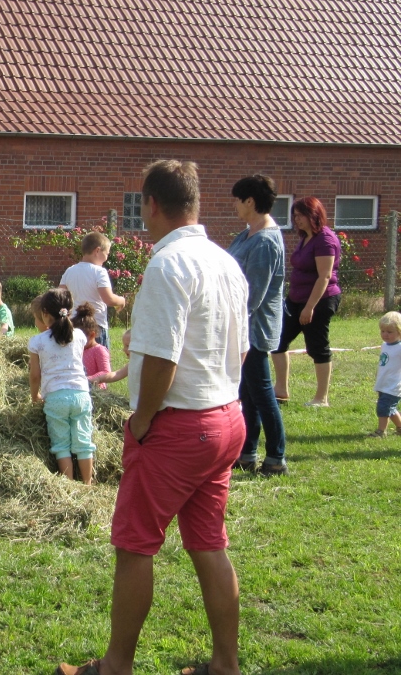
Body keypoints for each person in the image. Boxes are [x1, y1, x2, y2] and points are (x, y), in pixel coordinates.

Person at [57, 160, 249, 675]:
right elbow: (242, 348)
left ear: (152, 205)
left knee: (135, 544)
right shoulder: (225, 260)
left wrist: (142, 419)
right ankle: (225, 665)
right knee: (209, 543)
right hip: (226, 415)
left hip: (177, 424)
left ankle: (116, 666)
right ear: (196, 203)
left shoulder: (167, 266)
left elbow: (164, 356)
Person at [228, 174, 288, 476]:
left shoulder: (265, 241)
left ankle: (276, 456)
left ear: (250, 201)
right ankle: (248, 452)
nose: (235, 206)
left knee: (262, 393)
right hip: (242, 328)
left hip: (254, 328)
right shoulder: (247, 234)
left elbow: (253, 294)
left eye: (238, 200)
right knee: (248, 393)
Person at [271, 197, 342, 407]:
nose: (296, 219)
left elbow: (324, 277)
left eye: (301, 215)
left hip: (320, 300)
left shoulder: (325, 240)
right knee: (278, 341)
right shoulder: (305, 238)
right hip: (295, 300)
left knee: (317, 347)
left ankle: (322, 398)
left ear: (314, 215)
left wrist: (309, 307)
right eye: (294, 215)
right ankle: (281, 390)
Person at [28, 288, 94, 483]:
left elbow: (34, 375)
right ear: (70, 312)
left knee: (61, 445)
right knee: (84, 442)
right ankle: (88, 484)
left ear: (44, 313)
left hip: (55, 398)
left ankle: (70, 485)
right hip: (81, 395)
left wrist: (35, 396)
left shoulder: (37, 341)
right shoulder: (80, 336)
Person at [59, 232, 126, 349]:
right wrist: (121, 300)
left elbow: (60, 297)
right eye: (106, 253)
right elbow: (108, 299)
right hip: (95, 326)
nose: (107, 257)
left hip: (74, 325)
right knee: (98, 361)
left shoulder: (70, 271)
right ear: (97, 251)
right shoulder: (99, 272)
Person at [368, 311, 401, 438]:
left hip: (394, 385)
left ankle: (381, 432)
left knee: (383, 408)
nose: (385, 334)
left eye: (389, 332)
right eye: (383, 331)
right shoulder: (384, 345)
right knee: (390, 409)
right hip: (383, 383)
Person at [73, 303, 111, 389]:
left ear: (92, 335)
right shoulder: (77, 349)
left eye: (81, 339)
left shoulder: (99, 350)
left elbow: (106, 372)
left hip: (96, 391)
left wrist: (87, 379)